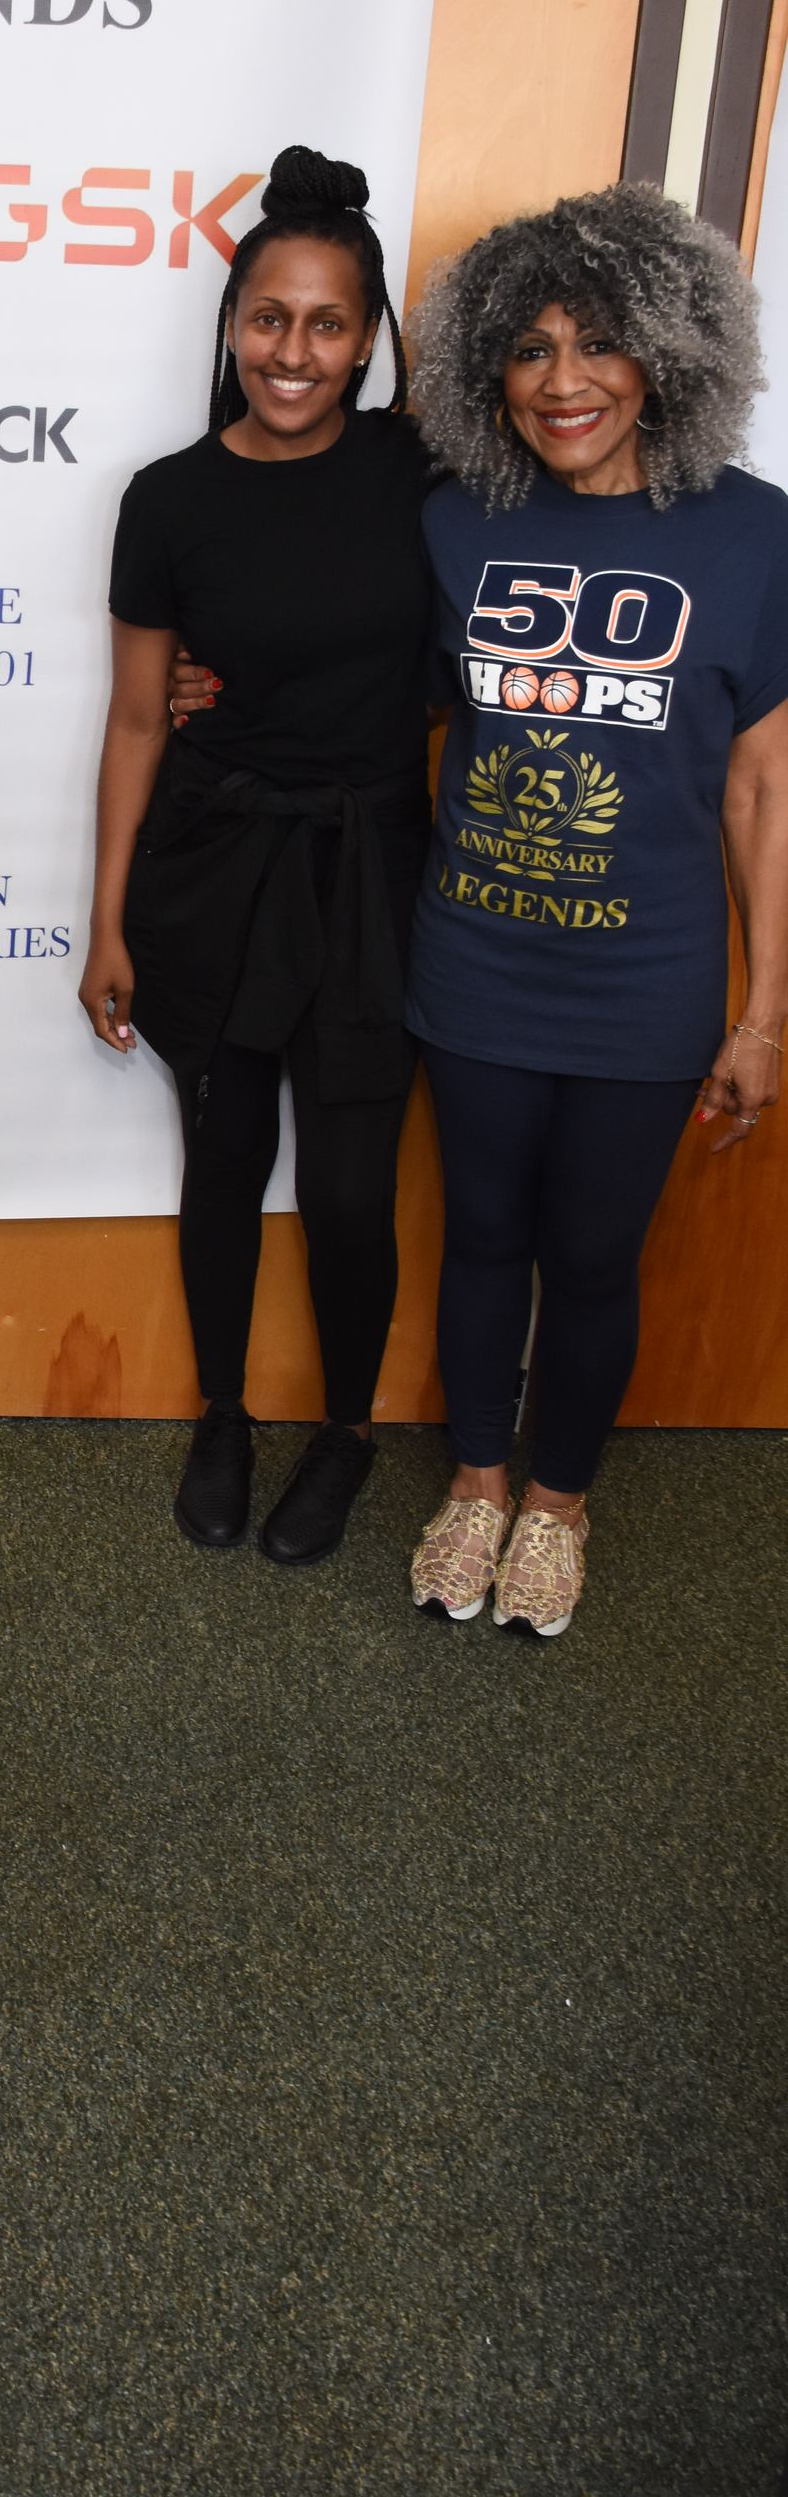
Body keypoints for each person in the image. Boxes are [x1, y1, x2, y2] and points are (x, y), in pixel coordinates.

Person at [397, 184, 788, 1637]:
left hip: (650, 983)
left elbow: (764, 793)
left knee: (596, 1256)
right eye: (531, 347)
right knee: (484, 1236)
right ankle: (482, 1485)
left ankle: (560, 1507)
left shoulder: (755, 540)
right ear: (485, 366)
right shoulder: (454, 526)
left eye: (602, 343)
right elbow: (376, 691)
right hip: (478, 960)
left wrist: (762, 1012)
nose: (566, 381)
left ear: (671, 356)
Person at [79, 147, 435, 1567]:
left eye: (328, 324)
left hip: (372, 876)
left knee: (349, 1187)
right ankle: (222, 1411)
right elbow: (129, 720)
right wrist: (102, 923)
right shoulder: (167, 500)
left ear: (370, 339)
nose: (295, 352)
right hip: (210, 870)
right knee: (223, 1162)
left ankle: (345, 1432)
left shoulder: (423, 468)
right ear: (232, 330)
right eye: (269, 321)